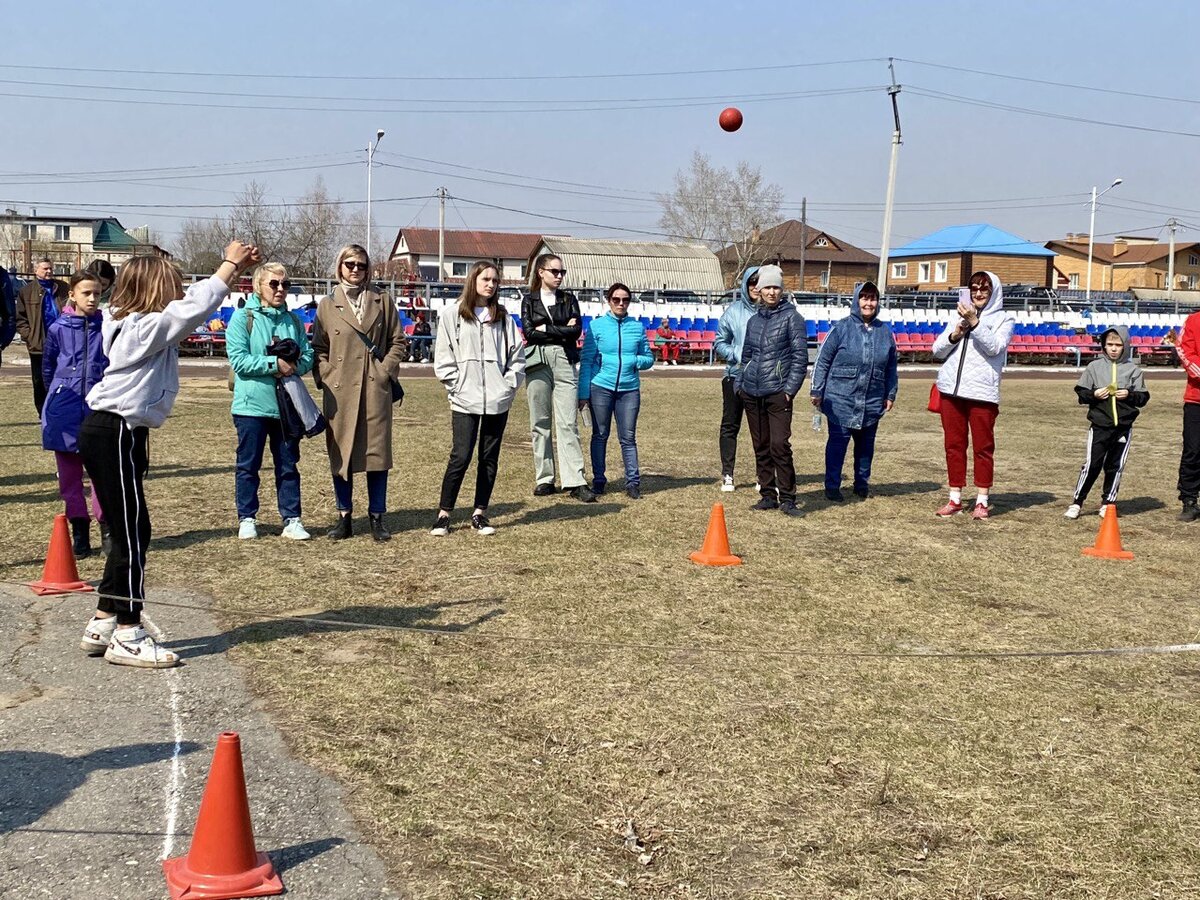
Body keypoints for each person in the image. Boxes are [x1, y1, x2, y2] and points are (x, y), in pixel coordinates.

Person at [78, 241, 261, 668]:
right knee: (131, 531)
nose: (179, 292)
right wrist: (228, 264)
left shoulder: (139, 323)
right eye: (173, 286)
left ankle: (104, 618)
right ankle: (128, 631)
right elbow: (191, 310)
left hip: (122, 433)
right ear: (153, 290)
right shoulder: (142, 327)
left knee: (133, 528)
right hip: (113, 431)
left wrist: (232, 272)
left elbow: (187, 307)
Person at [311, 244, 406, 541]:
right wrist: (327, 374)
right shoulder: (327, 305)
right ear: (339, 266)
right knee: (342, 455)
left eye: (361, 265)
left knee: (377, 455)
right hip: (340, 394)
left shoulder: (383, 300)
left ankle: (378, 516)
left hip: (374, 389)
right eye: (349, 264)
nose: (355, 269)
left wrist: (384, 371)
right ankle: (344, 517)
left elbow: (398, 341)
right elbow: (318, 348)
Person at [431, 261, 527, 536]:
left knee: (489, 457)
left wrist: (508, 386)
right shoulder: (452, 315)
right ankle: (444, 514)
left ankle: (480, 513)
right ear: (473, 280)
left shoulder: (504, 319)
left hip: (498, 401)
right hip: (464, 399)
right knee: (460, 455)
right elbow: (444, 357)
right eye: (486, 279)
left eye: (495, 281)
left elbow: (517, 358)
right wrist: (456, 385)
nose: (490, 284)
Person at [227, 262, 314, 541]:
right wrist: (272, 363)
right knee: (248, 465)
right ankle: (247, 517)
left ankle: (292, 518)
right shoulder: (243, 318)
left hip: (286, 407)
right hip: (251, 406)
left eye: (285, 284)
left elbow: (309, 356)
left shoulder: (294, 320)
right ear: (258, 286)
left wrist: (294, 366)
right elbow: (238, 360)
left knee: (288, 465)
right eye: (274, 284)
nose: (280, 290)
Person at [931, 271, 1015, 520]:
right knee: (953, 446)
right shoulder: (958, 315)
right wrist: (956, 333)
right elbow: (936, 350)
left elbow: (995, 347)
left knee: (983, 447)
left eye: (984, 289)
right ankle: (955, 497)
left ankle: (982, 500)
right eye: (974, 288)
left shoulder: (1004, 319)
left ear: (994, 292)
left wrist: (976, 324)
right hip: (951, 391)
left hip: (982, 393)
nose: (978, 293)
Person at [41, 270, 110, 558]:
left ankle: (107, 528)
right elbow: (48, 368)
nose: (93, 298)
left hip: (97, 409)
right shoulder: (58, 328)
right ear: (72, 294)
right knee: (70, 478)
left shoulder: (107, 326)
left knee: (101, 475)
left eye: (97, 293)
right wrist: (57, 396)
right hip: (65, 410)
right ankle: (79, 530)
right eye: (86, 293)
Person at [808, 281, 898, 502]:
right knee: (838, 443)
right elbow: (823, 361)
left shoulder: (885, 333)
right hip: (840, 399)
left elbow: (891, 368)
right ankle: (832, 485)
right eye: (865, 298)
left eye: (873, 298)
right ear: (857, 300)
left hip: (872, 399)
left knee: (866, 445)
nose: (869, 303)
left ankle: (861, 482)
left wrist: (890, 393)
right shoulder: (841, 328)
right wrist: (816, 389)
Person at [521, 253, 595, 502]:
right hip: (536, 361)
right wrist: (560, 330)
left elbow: (575, 332)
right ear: (541, 272)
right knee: (539, 421)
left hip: (564, 359)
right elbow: (530, 332)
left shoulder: (569, 298)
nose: (560, 276)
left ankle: (575, 480)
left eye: (562, 272)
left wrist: (548, 329)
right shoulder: (529, 299)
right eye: (555, 271)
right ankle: (544, 478)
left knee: (567, 422)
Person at [735, 265, 807, 517]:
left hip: (778, 392)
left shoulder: (793, 318)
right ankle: (767, 494)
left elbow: (800, 358)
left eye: (776, 287)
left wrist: (789, 390)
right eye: (767, 287)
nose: (772, 292)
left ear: (781, 290)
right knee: (761, 445)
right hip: (752, 392)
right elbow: (746, 355)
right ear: (759, 290)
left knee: (779, 445)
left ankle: (788, 497)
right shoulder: (754, 321)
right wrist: (740, 383)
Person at [578, 282, 655, 499]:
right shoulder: (596, 326)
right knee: (600, 435)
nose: (621, 304)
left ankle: (632, 483)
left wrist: (633, 360)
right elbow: (586, 361)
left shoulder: (637, 327)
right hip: (600, 387)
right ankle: (599, 480)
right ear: (609, 301)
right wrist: (583, 394)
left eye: (626, 300)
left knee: (628, 438)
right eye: (616, 300)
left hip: (629, 390)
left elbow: (649, 358)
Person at [1064, 326, 1149, 519]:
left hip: (1123, 428)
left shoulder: (1133, 370)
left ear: (1125, 346)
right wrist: (1094, 394)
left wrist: (1129, 395)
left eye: (1118, 345)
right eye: (1109, 344)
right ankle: (1077, 502)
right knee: (1092, 464)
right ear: (1103, 345)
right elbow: (1081, 393)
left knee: (1115, 466)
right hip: (1100, 425)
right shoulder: (1094, 367)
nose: (1113, 348)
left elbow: (1143, 398)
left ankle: (1108, 503)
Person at [714, 267, 760, 491]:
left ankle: (764, 475)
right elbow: (719, 343)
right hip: (735, 375)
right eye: (751, 282)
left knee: (761, 428)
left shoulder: (772, 312)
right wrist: (737, 354)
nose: (755, 286)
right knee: (730, 425)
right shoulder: (733, 312)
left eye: (759, 282)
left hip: (763, 378)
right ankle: (728, 474)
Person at [15, 257, 68, 414]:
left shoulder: (63, 288)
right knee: (39, 381)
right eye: (45, 268)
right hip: (39, 344)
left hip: (63, 343)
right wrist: (29, 336)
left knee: (62, 378)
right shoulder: (26, 292)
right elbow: (20, 318)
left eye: (50, 268)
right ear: (35, 270)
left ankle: (60, 409)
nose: (49, 271)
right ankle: (43, 412)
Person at [1173, 308, 1200, 522]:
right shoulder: (1193, 321)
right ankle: (1189, 499)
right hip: (1196, 400)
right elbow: (1183, 350)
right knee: (1193, 449)